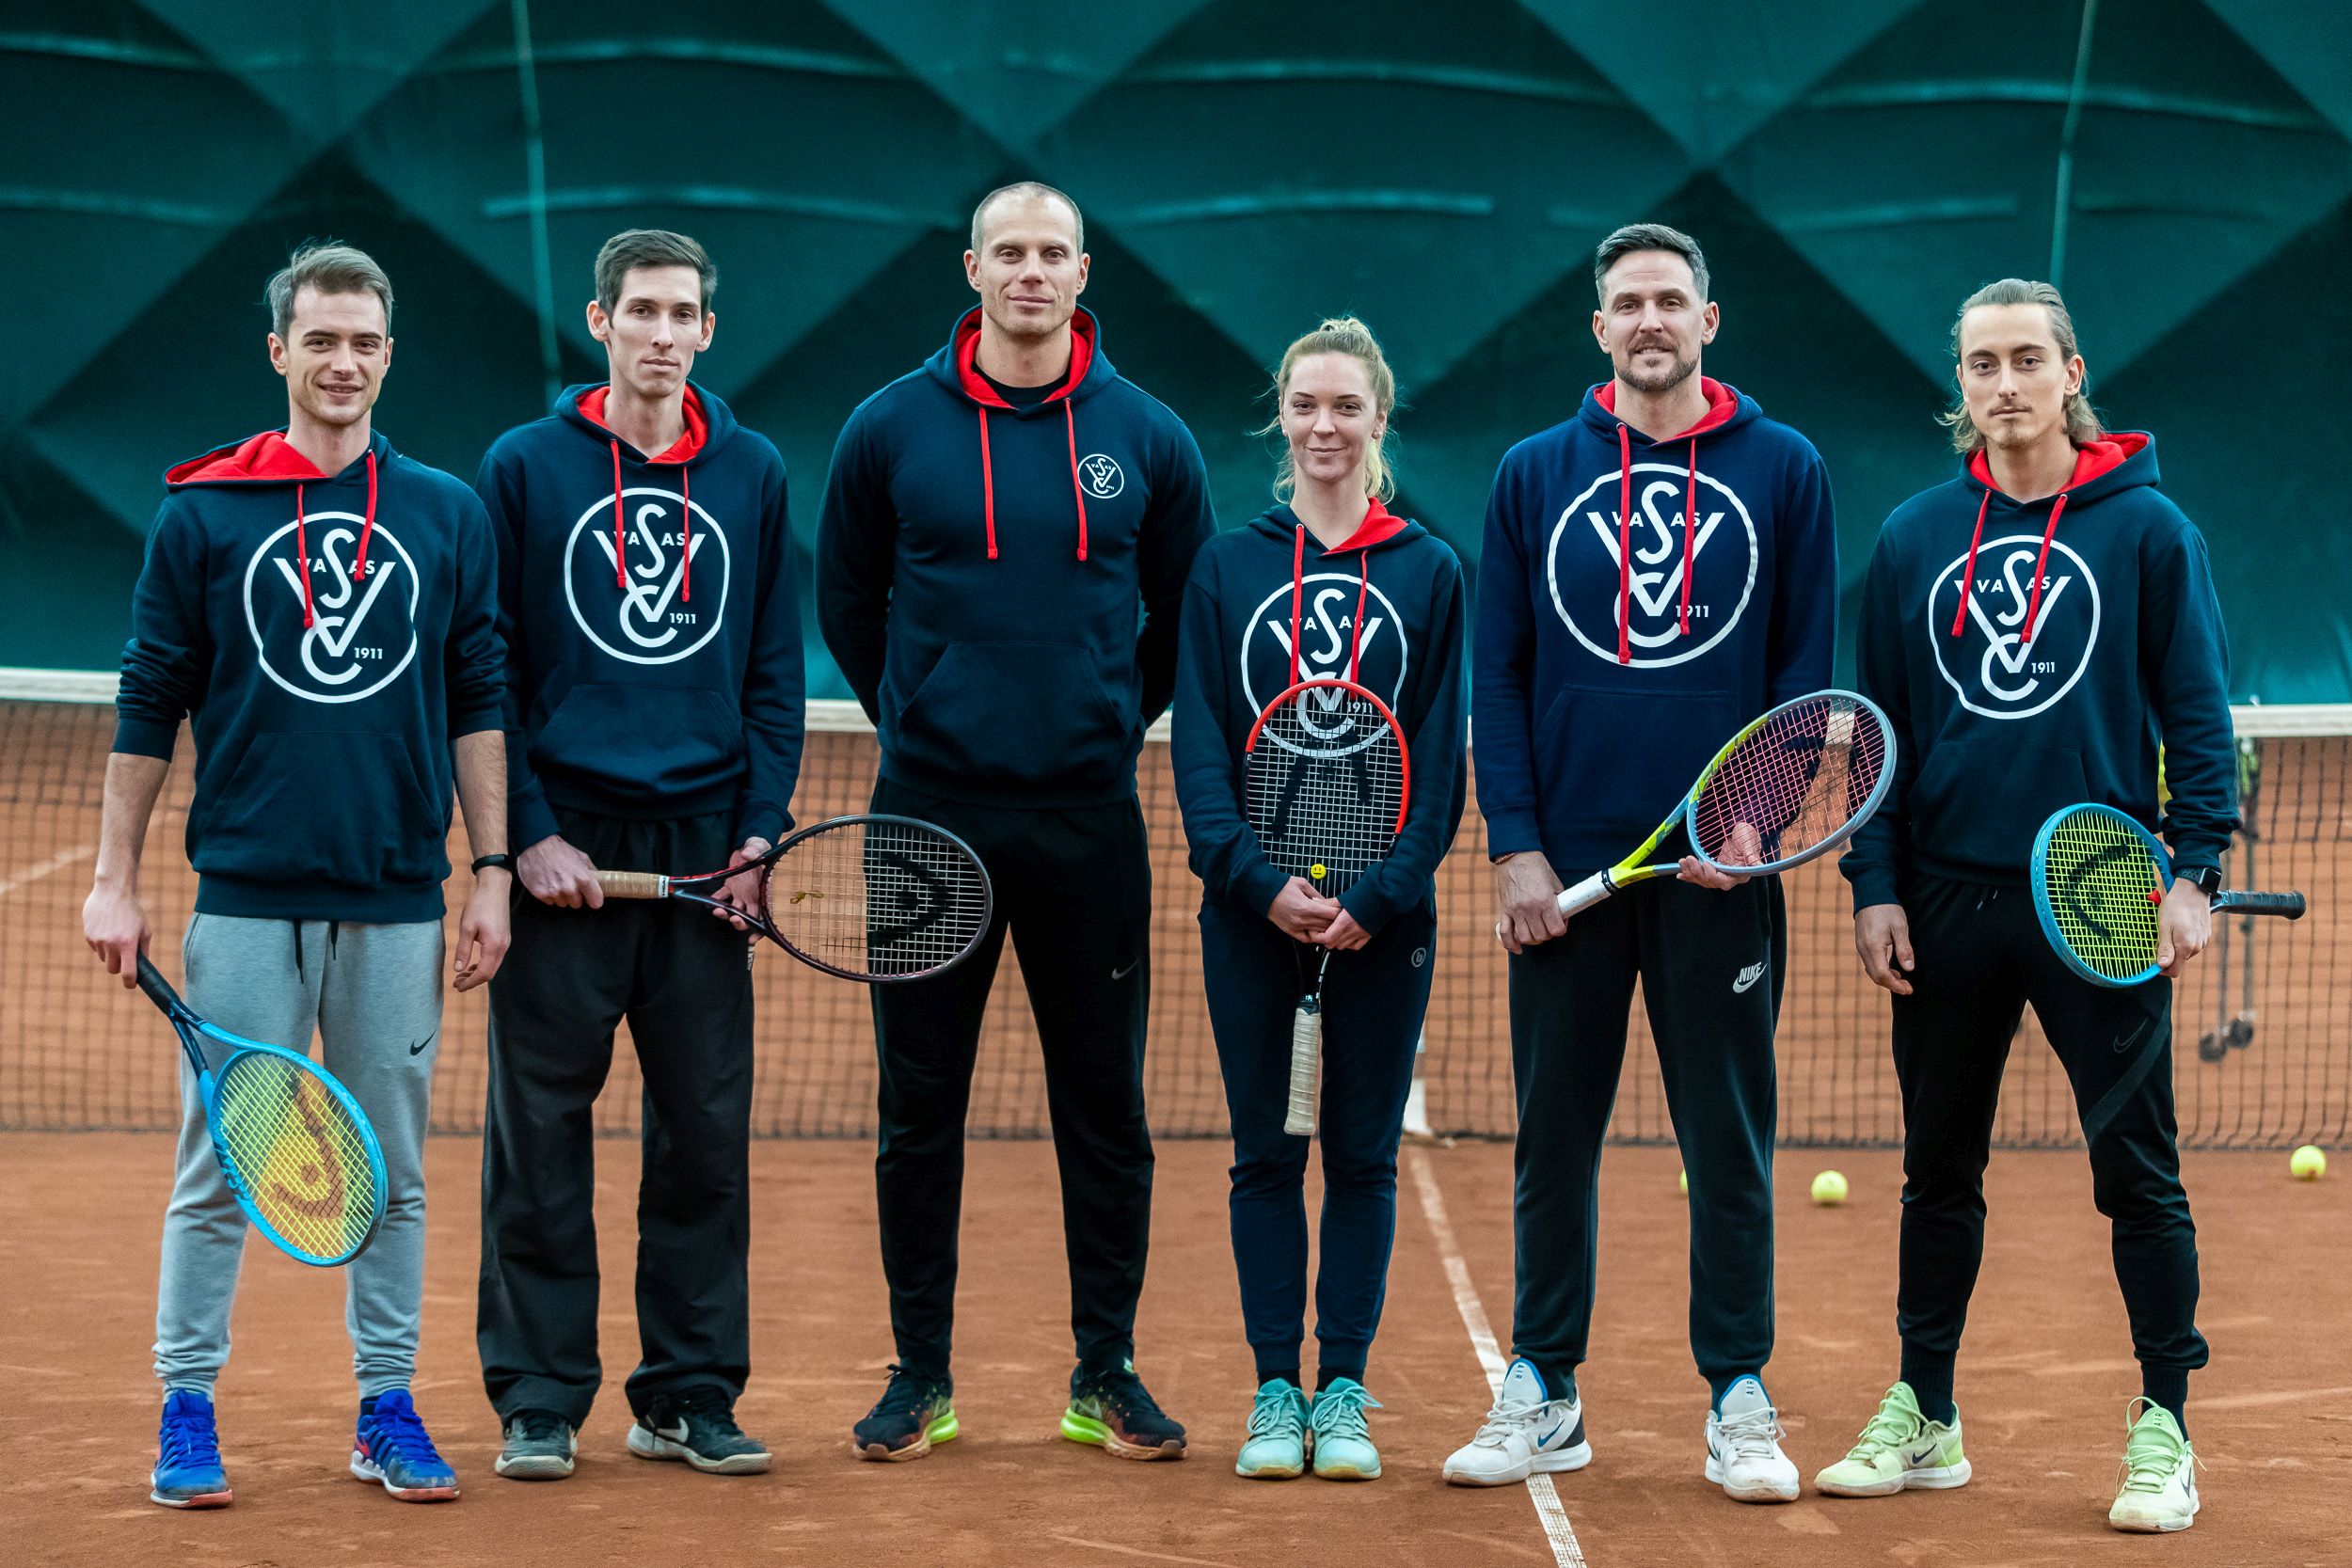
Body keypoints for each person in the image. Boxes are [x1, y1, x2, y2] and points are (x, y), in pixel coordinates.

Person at [82, 242, 510, 1508]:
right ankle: (187, 1408)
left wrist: (488, 867)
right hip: (247, 896)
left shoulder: (444, 510)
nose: (342, 360)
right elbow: (149, 696)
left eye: (364, 340)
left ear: (388, 352)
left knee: (394, 1166)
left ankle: (387, 1403)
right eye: (320, 338)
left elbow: (479, 691)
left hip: (395, 894)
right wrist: (114, 876)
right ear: (280, 350)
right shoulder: (204, 512)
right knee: (219, 1164)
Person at [1822, 278, 2230, 1534]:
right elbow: (1878, 735)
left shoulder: (2150, 533)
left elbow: (2198, 720)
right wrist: (1877, 884)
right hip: (1946, 901)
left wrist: (2194, 872)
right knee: (1937, 1171)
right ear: (1962, 384)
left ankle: (2165, 1425)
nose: (2003, 384)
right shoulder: (1910, 538)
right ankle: (1926, 1412)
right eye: (1980, 364)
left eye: (2024, 360)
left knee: (2138, 1175)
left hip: (2098, 898)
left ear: (2071, 372)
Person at [817, 182, 1215, 1463]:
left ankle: (1106, 1370)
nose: (1030, 272)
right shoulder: (887, 428)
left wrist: (1097, 716)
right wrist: (926, 713)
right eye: (1010, 253)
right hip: (926, 818)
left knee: (1104, 1103)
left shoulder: (1150, 436)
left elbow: (1176, 620)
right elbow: (848, 599)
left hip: (1088, 818)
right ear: (973, 266)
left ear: (1082, 268)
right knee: (916, 1104)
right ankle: (918, 1373)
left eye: (1052, 253)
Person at [1452, 223, 1836, 1500]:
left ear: (1709, 320)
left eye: (1673, 298)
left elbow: (1804, 679)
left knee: (1727, 1141)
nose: (1652, 318)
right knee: (1552, 1137)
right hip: (1565, 879)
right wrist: (1515, 846)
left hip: (1717, 876)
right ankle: (1545, 1387)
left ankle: (1738, 1392)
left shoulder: (1785, 469)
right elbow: (1496, 676)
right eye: (1629, 302)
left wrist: (1755, 821)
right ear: (1600, 327)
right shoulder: (1530, 473)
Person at [472, 230, 803, 1481]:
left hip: (709, 860)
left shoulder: (754, 471)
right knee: (540, 1134)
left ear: (707, 332)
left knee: (706, 1138)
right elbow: (487, 665)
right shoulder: (524, 466)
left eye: (684, 314)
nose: (663, 333)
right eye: (642, 311)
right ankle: (540, 1395)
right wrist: (529, 831)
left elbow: (776, 674)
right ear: (600, 321)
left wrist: (758, 834)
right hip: (566, 850)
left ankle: (687, 1392)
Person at [1171, 317, 1466, 1481]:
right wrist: (1250, 875)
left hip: (1380, 925)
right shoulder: (1226, 563)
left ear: (1378, 419)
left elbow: (1440, 762)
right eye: (1305, 405)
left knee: (1361, 1156)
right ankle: (1271, 1388)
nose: (1324, 425)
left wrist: (1383, 894)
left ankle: (1340, 1382)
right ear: (1280, 417)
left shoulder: (1429, 571)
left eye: (1346, 406)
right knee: (1263, 1154)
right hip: (1250, 918)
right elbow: (1198, 742)